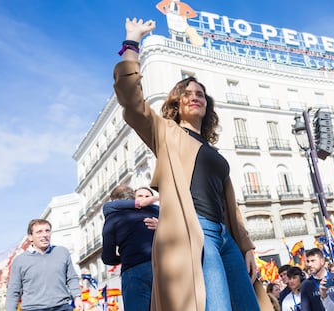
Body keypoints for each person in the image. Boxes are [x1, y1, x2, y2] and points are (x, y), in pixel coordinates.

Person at [113, 17, 272, 311]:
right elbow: (131, 101)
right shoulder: (167, 133)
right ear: (176, 103)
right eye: (186, 93)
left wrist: (247, 247)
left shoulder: (213, 151)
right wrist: (131, 43)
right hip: (194, 232)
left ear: (207, 104)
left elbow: (231, 207)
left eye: (199, 94)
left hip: (226, 237)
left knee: (249, 306)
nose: (194, 97)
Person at [101, 185, 159, 311]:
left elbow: (107, 256)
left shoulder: (113, 217)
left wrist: (124, 256)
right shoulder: (155, 210)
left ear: (115, 201)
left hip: (134, 270)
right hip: (163, 265)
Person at [6, 219, 83, 311]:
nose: (45, 235)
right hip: (32, 309)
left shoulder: (62, 252)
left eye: (47, 231)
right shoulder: (19, 261)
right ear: (30, 237)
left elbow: (72, 278)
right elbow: (13, 291)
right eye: (39, 232)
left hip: (62, 307)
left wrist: (77, 297)